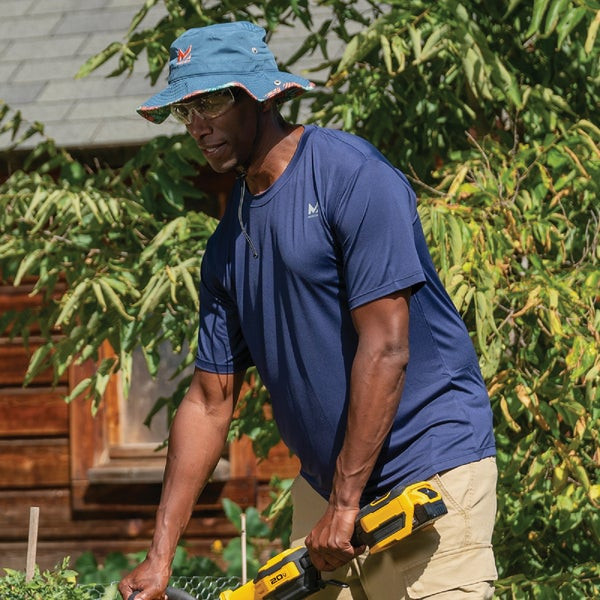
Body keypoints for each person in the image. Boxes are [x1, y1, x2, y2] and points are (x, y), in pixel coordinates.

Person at [119, 21, 497, 600]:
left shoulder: (351, 177)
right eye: (185, 109)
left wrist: (346, 503)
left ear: (261, 96)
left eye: (212, 102)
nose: (197, 125)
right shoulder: (226, 245)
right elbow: (208, 401)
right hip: (328, 497)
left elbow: (387, 347)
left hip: (427, 474)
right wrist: (160, 556)